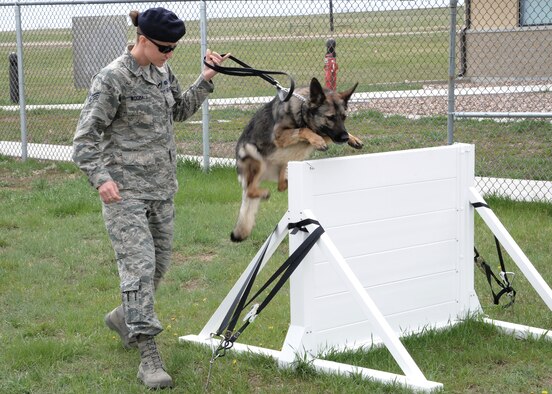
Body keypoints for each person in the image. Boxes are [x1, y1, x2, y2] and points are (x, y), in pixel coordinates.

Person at [72, 7, 229, 389]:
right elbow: (83, 140)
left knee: (158, 268)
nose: (170, 53)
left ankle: (123, 317)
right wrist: (101, 179)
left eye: (175, 47)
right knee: (139, 270)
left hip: (162, 188)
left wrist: (206, 79)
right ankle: (148, 358)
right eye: (165, 47)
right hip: (124, 193)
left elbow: (180, 111)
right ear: (142, 39)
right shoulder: (112, 78)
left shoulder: (162, 72)